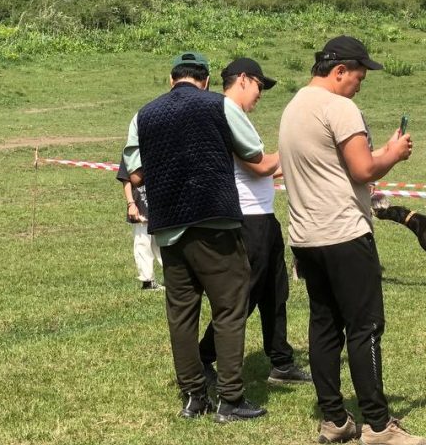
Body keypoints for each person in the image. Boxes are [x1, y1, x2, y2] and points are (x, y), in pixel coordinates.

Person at [279, 35, 426, 445]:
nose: (360, 85)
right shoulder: (339, 106)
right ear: (339, 70)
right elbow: (363, 170)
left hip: (307, 237)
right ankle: (379, 426)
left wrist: (379, 152)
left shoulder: (294, 108)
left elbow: (333, 165)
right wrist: (394, 153)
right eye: (358, 76)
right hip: (344, 232)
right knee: (365, 328)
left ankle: (334, 419)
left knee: (324, 327)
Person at [122, 51, 266, 423]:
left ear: (171, 80)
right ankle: (231, 399)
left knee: (181, 314)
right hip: (215, 220)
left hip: (169, 227)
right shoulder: (219, 105)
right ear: (203, 80)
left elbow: (135, 174)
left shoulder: (144, 114)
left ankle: (194, 396)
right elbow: (253, 151)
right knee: (230, 308)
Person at [198, 58, 311, 387]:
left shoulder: (238, 116)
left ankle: (281, 360)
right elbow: (260, 167)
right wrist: (297, 151)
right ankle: (204, 357)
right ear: (243, 79)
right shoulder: (227, 112)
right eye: (259, 86)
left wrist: (296, 162)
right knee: (243, 297)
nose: (260, 94)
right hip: (248, 220)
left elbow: (267, 168)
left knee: (275, 293)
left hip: (264, 217)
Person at [115, 157, 163, 291]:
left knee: (164, 244)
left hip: (161, 206)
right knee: (142, 243)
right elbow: (126, 179)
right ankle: (148, 281)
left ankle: (176, 279)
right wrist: (131, 204)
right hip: (140, 205)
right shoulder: (131, 152)